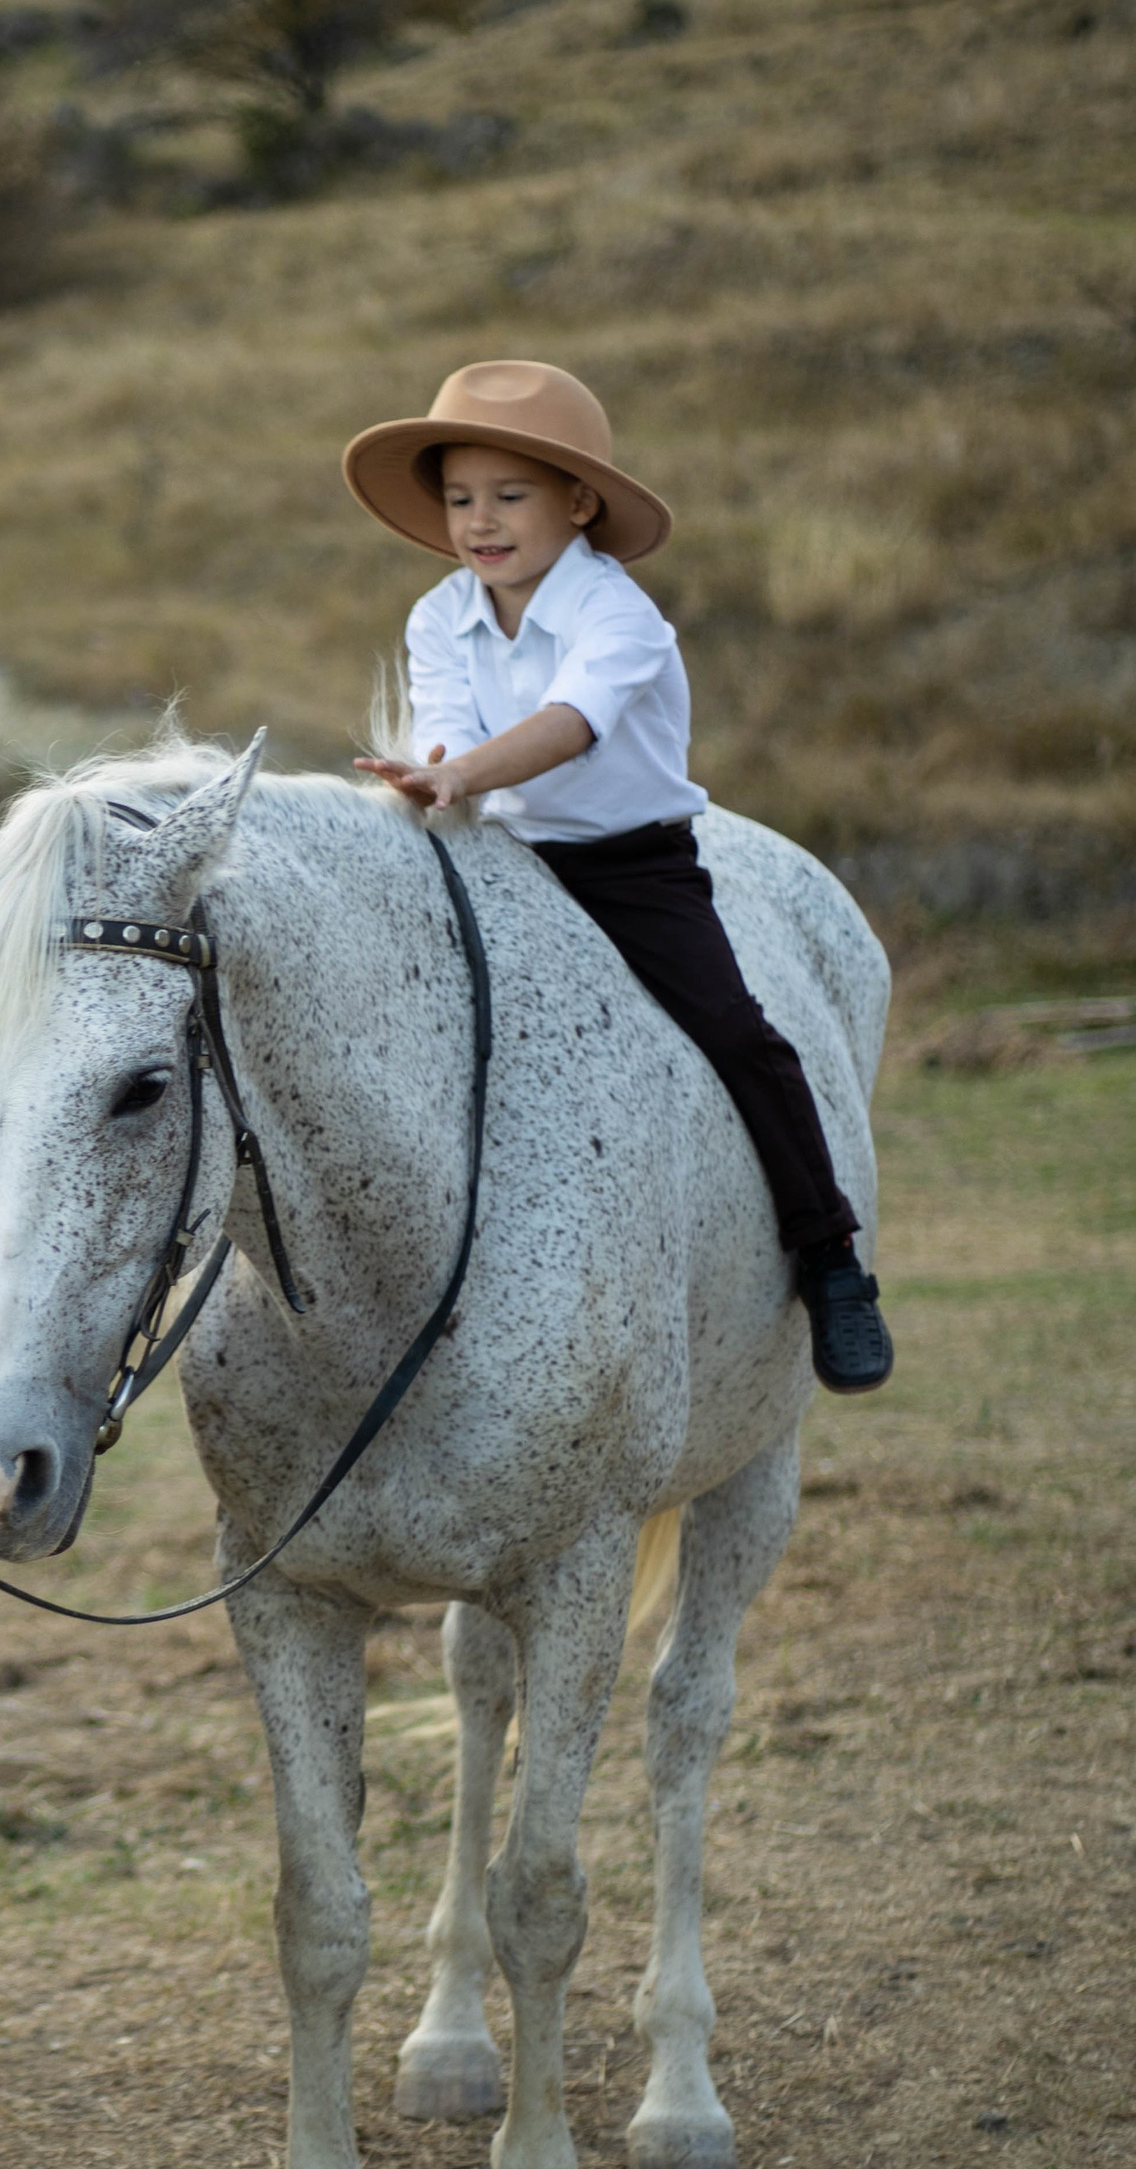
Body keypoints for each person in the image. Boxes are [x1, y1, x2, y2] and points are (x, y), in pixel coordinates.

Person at [345, 358, 893, 1395]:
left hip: (630, 867)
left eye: (509, 496)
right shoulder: (437, 614)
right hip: (499, 857)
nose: (479, 522)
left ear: (578, 500)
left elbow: (565, 726)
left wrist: (452, 772)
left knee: (737, 1031)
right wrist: (435, 780)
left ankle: (830, 1262)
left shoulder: (620, 614)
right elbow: (448, 734)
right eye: (460, 498)